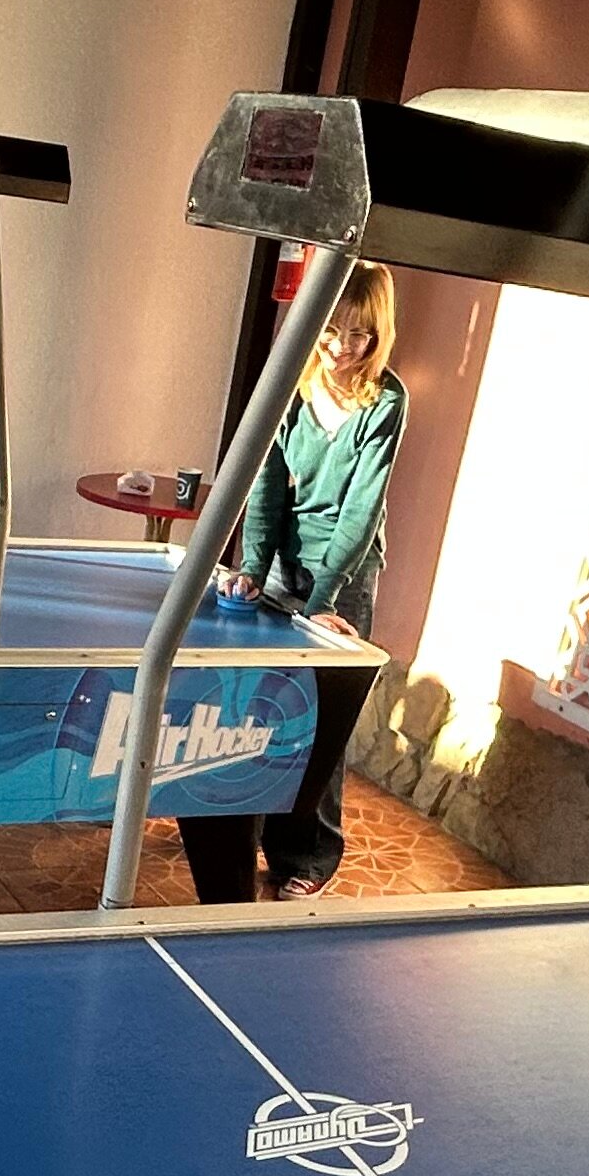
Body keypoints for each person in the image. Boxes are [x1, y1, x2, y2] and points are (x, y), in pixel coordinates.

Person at [178, 259, 407, 902]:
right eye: (332, 330)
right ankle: (238, 834)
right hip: (282, 564)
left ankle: (306, 854)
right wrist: (252, 568)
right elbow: (266, 482)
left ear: (378, 335)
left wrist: (324, 600)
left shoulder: (387, 400)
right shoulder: (291, 385)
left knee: (320, 724)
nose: (342, 347)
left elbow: (361, 510)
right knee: (260, 708)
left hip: (344, 577)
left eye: (359, 334)